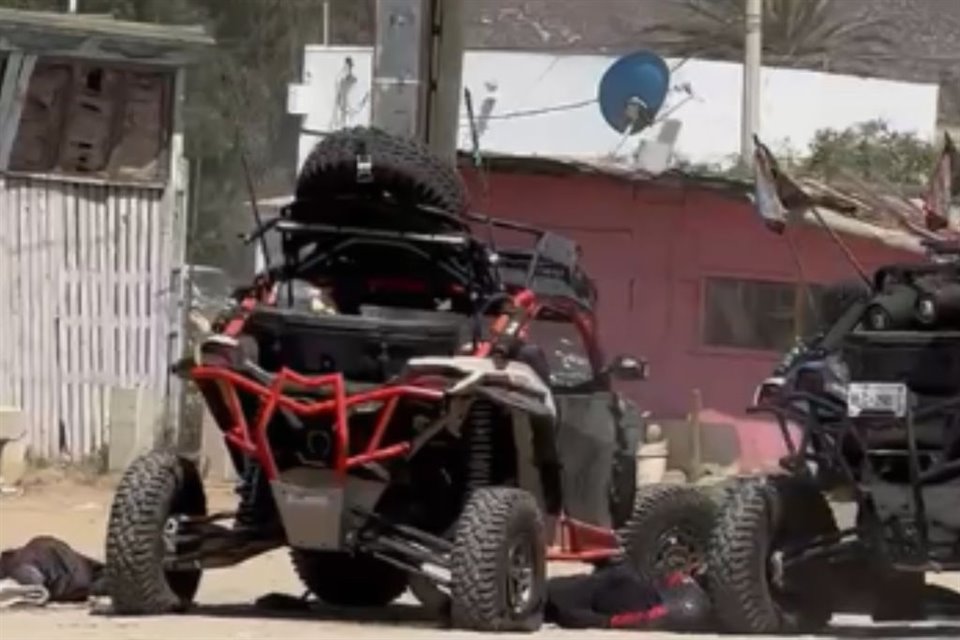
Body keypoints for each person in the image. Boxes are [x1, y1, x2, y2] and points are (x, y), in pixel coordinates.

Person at [545, 561, 712, 631]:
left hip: (625, 594)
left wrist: (608, 622)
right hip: (627, 589)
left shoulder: (563, 609)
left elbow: (645, 617)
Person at [0, 536, 105, 606]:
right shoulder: (23, 559)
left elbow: (34, 585)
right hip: (74, 577)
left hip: (71, 578)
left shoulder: (21, 563)